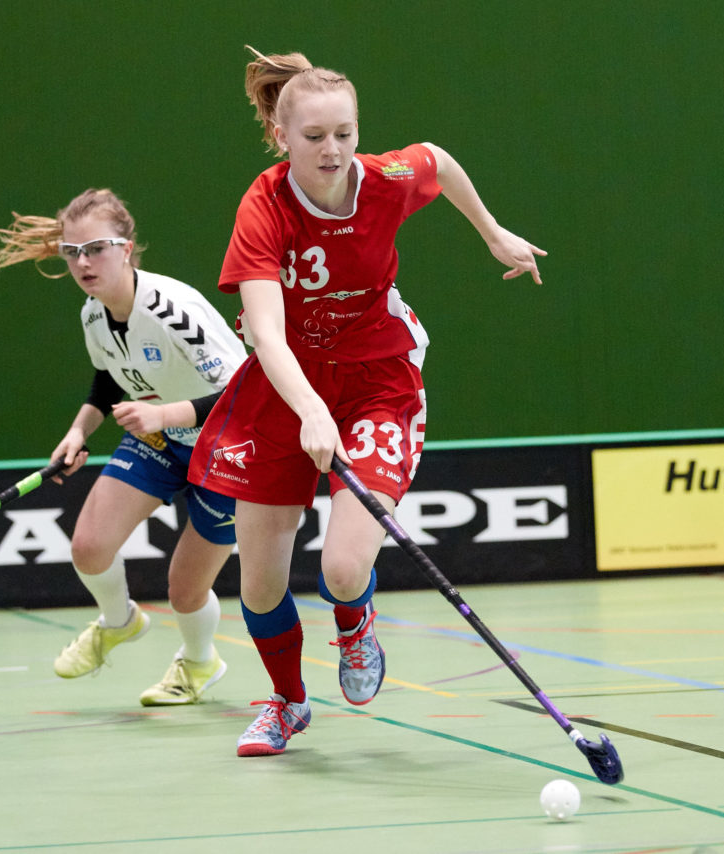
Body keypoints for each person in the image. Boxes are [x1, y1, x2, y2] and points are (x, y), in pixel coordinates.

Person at [187, 47, 545, 757]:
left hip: (379, 379)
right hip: (283, 387)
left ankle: (355, 625)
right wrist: (311, 411)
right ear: (282, 137)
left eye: (345, 133)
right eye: (314, 136)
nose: (332, 149)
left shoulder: (384, 178)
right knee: (259, 585)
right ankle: (288, 703)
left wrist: (495, 233)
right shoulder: (264, 207)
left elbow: (436, 160)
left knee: (344, 569)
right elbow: (264, 331)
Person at [0, 189, 247, 705]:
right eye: (72, 251)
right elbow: (107, 381)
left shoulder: (173, 311)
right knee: (89, 546)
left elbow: (244, 394)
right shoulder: (94, 315)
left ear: (126, 249)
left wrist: (164, 413)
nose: (83, 262)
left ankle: (198, 663)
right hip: (161, 439)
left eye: (96, 248)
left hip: (228, 448)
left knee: (185, 591)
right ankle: (118, 621)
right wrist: (79, 431)